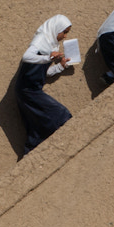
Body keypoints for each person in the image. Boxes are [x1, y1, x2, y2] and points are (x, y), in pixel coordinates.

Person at [15, 14, 74, 155]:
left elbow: (43, 72)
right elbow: (27, 56)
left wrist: (60, 66)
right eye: (64, 32)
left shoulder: (51, 43)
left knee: (37, 128)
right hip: (27, 90)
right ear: (56, 28)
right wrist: (48, 57)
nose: (65, 36)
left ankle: (29, 156)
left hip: (32, 90)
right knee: (62, 114)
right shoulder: (41, 39)